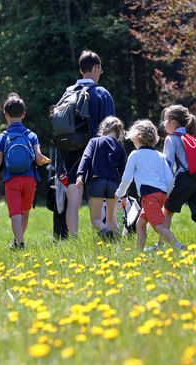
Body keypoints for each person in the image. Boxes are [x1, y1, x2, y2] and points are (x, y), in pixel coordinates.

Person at [54, 50, 115, 239]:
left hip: (70, 152)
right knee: (101, 197)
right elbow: (111, 128)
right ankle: (107, 232)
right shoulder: (102, 93)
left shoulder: (67, 93)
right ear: (96, 68)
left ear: (81, 70)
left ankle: (73, 239)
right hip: (96, 153)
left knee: (73, 201)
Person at [115, 120, 184, 251]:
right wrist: (166, 193)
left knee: (158, 226)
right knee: (140, 225)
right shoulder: (161, 156)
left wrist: (120, 193)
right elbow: (170, 178)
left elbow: (127, 178)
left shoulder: (135, 154)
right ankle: (139, 252)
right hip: (162, 194)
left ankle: (179, 247)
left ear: (136, 137)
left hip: (149, 195)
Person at [0, 93, 49, 250]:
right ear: (24, 114)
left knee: (15, 213)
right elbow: (38, 159)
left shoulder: (2, 137)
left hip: (11, 179)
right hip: (30, 178)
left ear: (5, 114)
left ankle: (19, 243)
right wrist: (43, 160)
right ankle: (18, 241)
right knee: (25, 211)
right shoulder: (31, 135)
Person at [160, 105, 196, 245]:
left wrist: (164, 184)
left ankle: (161, 244)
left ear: (173, 121)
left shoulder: (171, 138)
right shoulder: (193, 137)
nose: (163, 123)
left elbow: (168, 164)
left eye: (165, 120)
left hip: (184, 179)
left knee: (167, 211)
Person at [76, 116, 127, 238]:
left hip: (97, 182)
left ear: (103, 128)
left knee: (96, 220)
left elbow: (86, 158)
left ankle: (106, 233)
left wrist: (80, 174)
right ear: (119, 132)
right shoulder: (120, 147)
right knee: (112, 220)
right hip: (114, 185)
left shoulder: (94, 141)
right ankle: (117, 243)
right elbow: (124, 171)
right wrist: (125, 193)